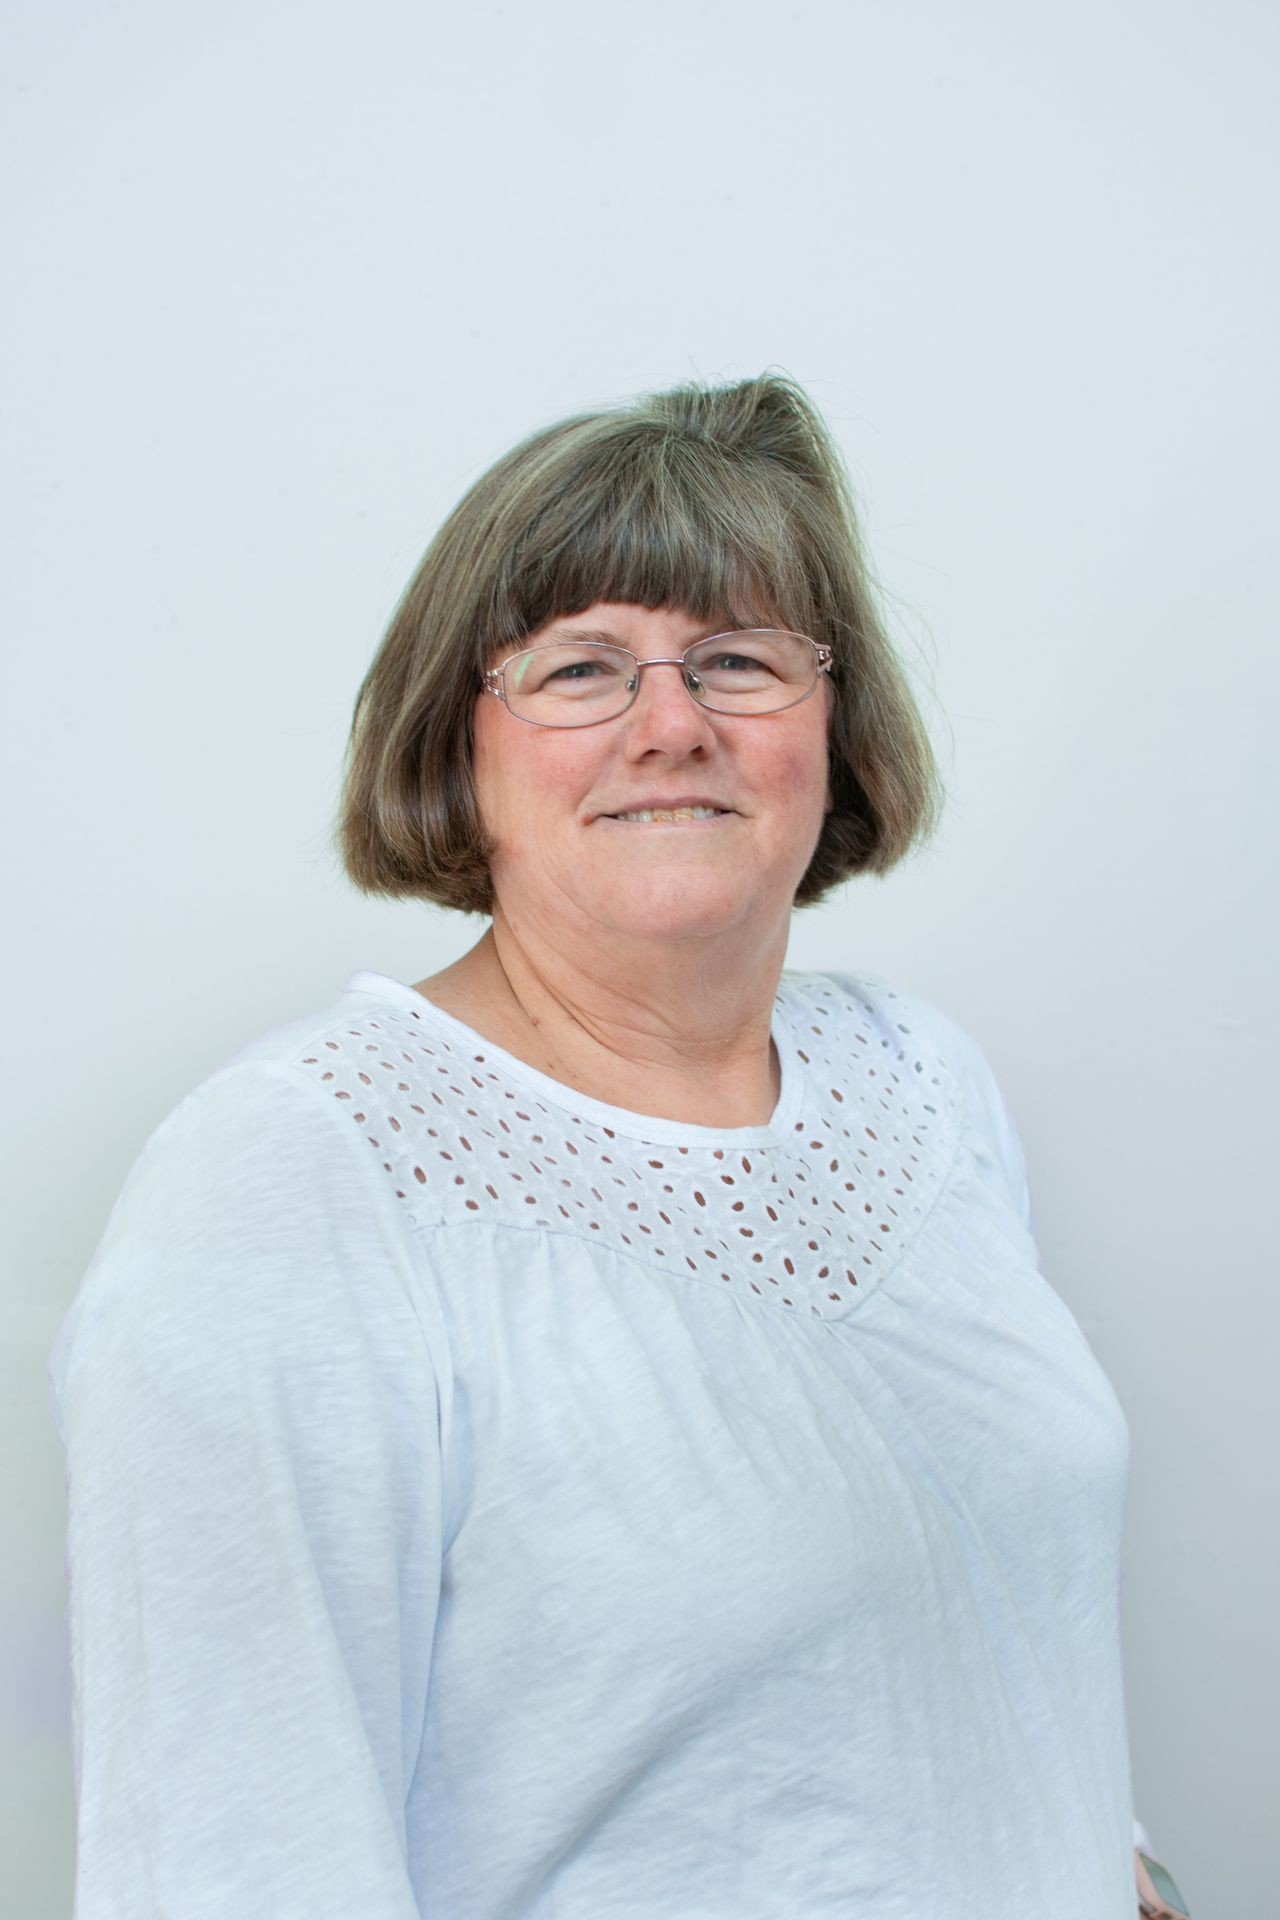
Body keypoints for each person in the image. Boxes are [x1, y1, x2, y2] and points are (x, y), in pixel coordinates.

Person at [48, 371, 1189, 1918]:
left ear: (834, 726)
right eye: (583, 667)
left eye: (737, 659)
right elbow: (233, 1865)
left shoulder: (919, 1079)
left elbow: (983, 1661)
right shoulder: (300, 1180)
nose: (672, 725)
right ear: (461, 747)